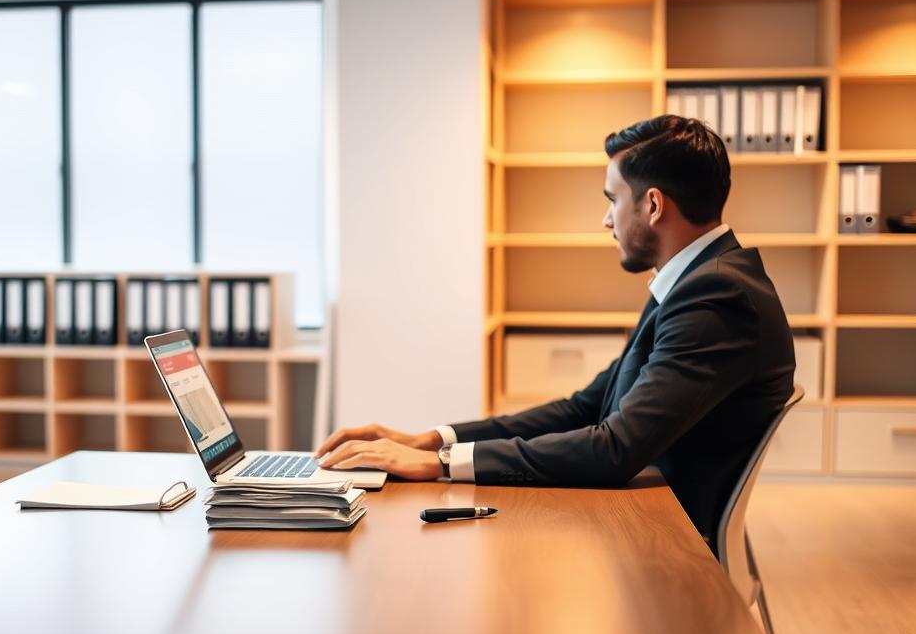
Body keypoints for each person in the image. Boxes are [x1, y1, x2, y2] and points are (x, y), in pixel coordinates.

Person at [316, 115, 795, 554]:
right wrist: (430, 440)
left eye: (612, 200)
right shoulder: (695, 280)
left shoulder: (716, 297)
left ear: (652, 204)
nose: (607, 219)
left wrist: (441, 463)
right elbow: (585, 408)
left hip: (664, 547)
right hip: (644, 519)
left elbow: (614, 450)